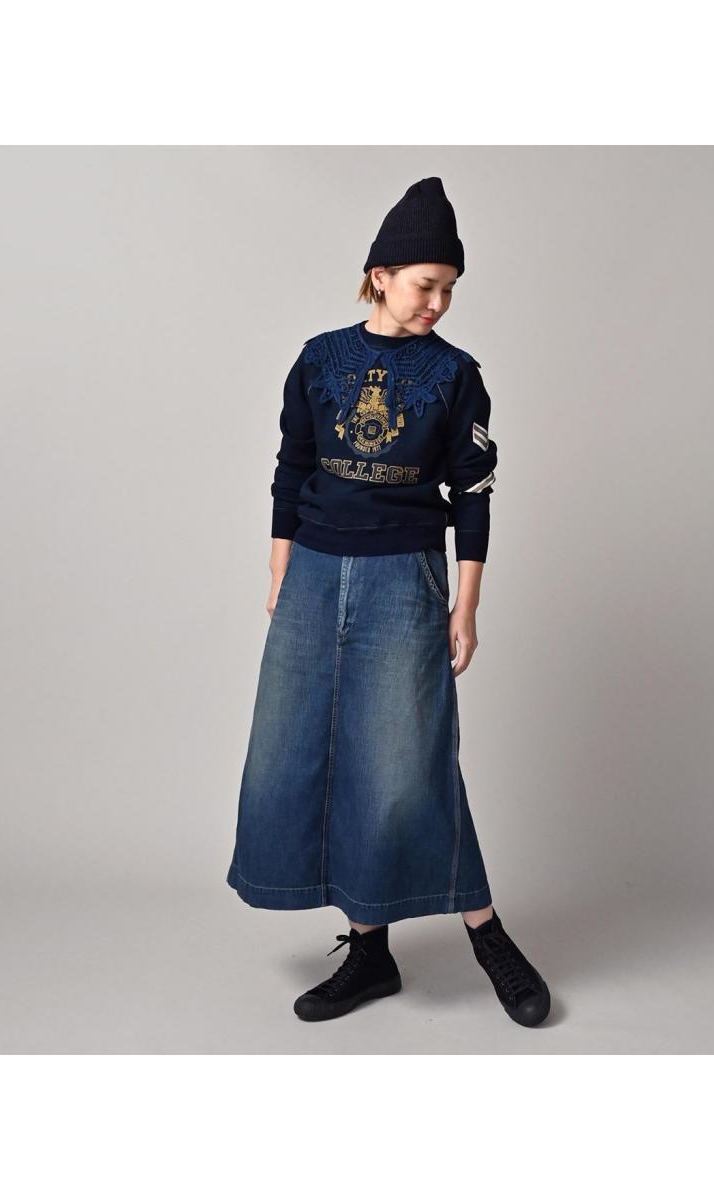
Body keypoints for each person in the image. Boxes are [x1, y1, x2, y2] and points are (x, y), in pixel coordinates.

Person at [226, 176, 550, 1028]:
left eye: (450, 289)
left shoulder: (456, 375)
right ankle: (370, 952)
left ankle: (487, 934)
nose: (438, 303)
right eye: (425, 284)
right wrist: (279, 569)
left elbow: (474, 492)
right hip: (311, 574)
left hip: (405, 576)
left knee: (406, 762)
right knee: (308, 752)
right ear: (380, 276)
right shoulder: (319, 358)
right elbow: (292, 467)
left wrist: (466, 606)